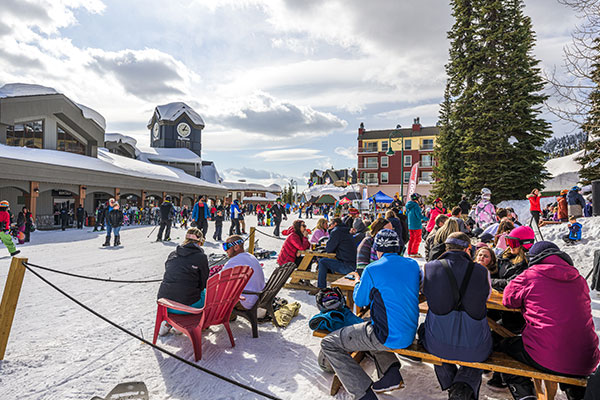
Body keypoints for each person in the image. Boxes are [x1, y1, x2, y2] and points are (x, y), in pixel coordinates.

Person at [320, 229, 421, 400]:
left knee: (329, 343)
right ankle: (391, 374)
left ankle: (363, 394)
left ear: (377, 249)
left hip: (388, 335)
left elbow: (359, 301)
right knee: (369, 325)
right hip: (409, 331)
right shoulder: (412, 265)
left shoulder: (372, 269)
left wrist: (359, 282)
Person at [500, 241, 600, 400]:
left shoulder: (530, 274)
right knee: (564, 353)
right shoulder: (578, 278)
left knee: (504, 348)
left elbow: (508, 300)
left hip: (547, 354)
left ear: (533, 259)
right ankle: (575, 393)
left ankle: (525, 396)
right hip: (587, 358)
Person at [420, 232, 493, 400]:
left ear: (446, 248)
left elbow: (424, 290)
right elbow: (486, 296)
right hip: (476, 344)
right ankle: (462, 386)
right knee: (479, 345)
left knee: (426, 331)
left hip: (437, 342)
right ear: (468, 249)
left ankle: (453, 384)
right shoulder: (482, 272)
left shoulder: (429, 267)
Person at [157, 228, 209, 335]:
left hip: (165, 305)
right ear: (200, 242)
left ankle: (168, 322)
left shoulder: (172, 254)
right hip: (188, 307)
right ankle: (184, 323)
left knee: (177, 288)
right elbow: (204, 283)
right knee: (205, 293)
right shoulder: (201, 257)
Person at [222, 235, 265, 310]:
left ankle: (229, 315)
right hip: (258, 297)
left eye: (227, 247)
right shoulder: (251, 256)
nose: (226, 250)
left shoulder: (234, 261)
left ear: (236, 247)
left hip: (247, 301)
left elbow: (219, 280)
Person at [317, 218, 356, 288]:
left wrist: (329, 231)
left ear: (335, 224)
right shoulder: (346, 230)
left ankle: (321, 288)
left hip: (347, 266)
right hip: (353, 264)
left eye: (330, 224)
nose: (329, 226)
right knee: (328, 261)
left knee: (322, 262)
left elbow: (329, 249)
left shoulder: (336, 232)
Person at [492, 226, 534, 292]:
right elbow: (494, 269)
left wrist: (489, 280)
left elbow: (510, 283)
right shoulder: (505, 255)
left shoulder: (527, 263)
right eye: (508, 241)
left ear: (524, 244)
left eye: (513, 243)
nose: (510, 246)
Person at [406, 193, 428, 258]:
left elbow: (407, 214)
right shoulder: (416, 206)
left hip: (410, 225)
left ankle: (410, 252)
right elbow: (419, 216)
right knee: (417, 239)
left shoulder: (409, 205)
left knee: (412, 239)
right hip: (416, 225)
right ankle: (414, 252)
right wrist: (427, 218)